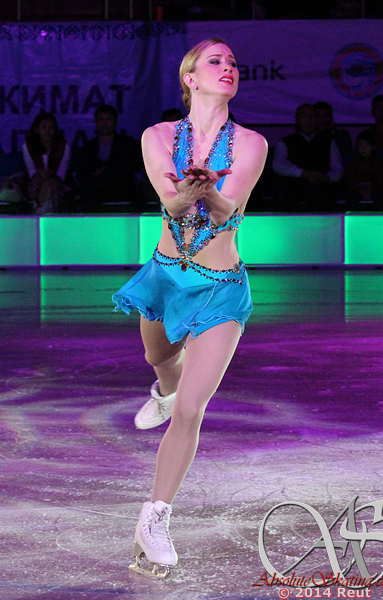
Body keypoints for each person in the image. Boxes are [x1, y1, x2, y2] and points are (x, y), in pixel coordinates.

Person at [112, 38, 267, 577]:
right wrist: (187, 192)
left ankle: (154, 518)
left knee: (191, 410)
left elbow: (230, 208)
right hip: (165, 277)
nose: (228, 67)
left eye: (233, 62)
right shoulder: (157, 136)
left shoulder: (251, 143)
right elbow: (171, 202)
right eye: (215, 61)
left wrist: (209, 192)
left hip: (221, 287)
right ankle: (163, 387)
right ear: (190, 78)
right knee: (158, 356)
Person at [272, 103, 343, 212]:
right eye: (304, 116)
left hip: (321, 187)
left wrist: (326, 178)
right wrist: (304, 174)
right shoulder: (285, 142)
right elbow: (278, 165)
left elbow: (337, 170)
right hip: (292, 188)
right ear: (296, 120)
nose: (308, 120)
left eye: (311, 116)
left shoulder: (328, 141)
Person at [75, 104, 142, 213]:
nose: (104, 123)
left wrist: (105, 170)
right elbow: (81, 173)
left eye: (108, 119)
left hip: (120, 187)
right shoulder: (89, 146)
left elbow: (129, 167)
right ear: (96, 122)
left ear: (115, 122)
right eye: (101, 119)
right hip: (96, 191)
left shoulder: (127, 143)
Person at [22, 112, 71, 214]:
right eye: (44, 127)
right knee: (46, 186)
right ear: (36, 129)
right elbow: (31, 172)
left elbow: (61, 173)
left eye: (51, 127)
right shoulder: (28, 146)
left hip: (58, 183)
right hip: (35, 182)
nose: (48, 131)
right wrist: (42, 176)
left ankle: (39, 213)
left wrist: (49, 177)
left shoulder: (64, 146)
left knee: (51, 186)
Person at [345, 130, 383, 211]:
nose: (363, 148)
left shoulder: (377, 161)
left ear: (373, 147)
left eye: (367, 145)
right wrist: (359, 191)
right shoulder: (353, 162)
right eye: (360, 145)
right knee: (350, 198)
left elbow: (379, 180)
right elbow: (350, 180)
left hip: (374, 190)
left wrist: (371, 191)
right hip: (356, 190)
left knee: (381, 199)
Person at [313, 101, 353, 166]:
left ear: (331, 117)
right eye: (319, 117)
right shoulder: (310, 137)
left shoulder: (342, 135)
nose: (323, 120)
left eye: (326, 116)